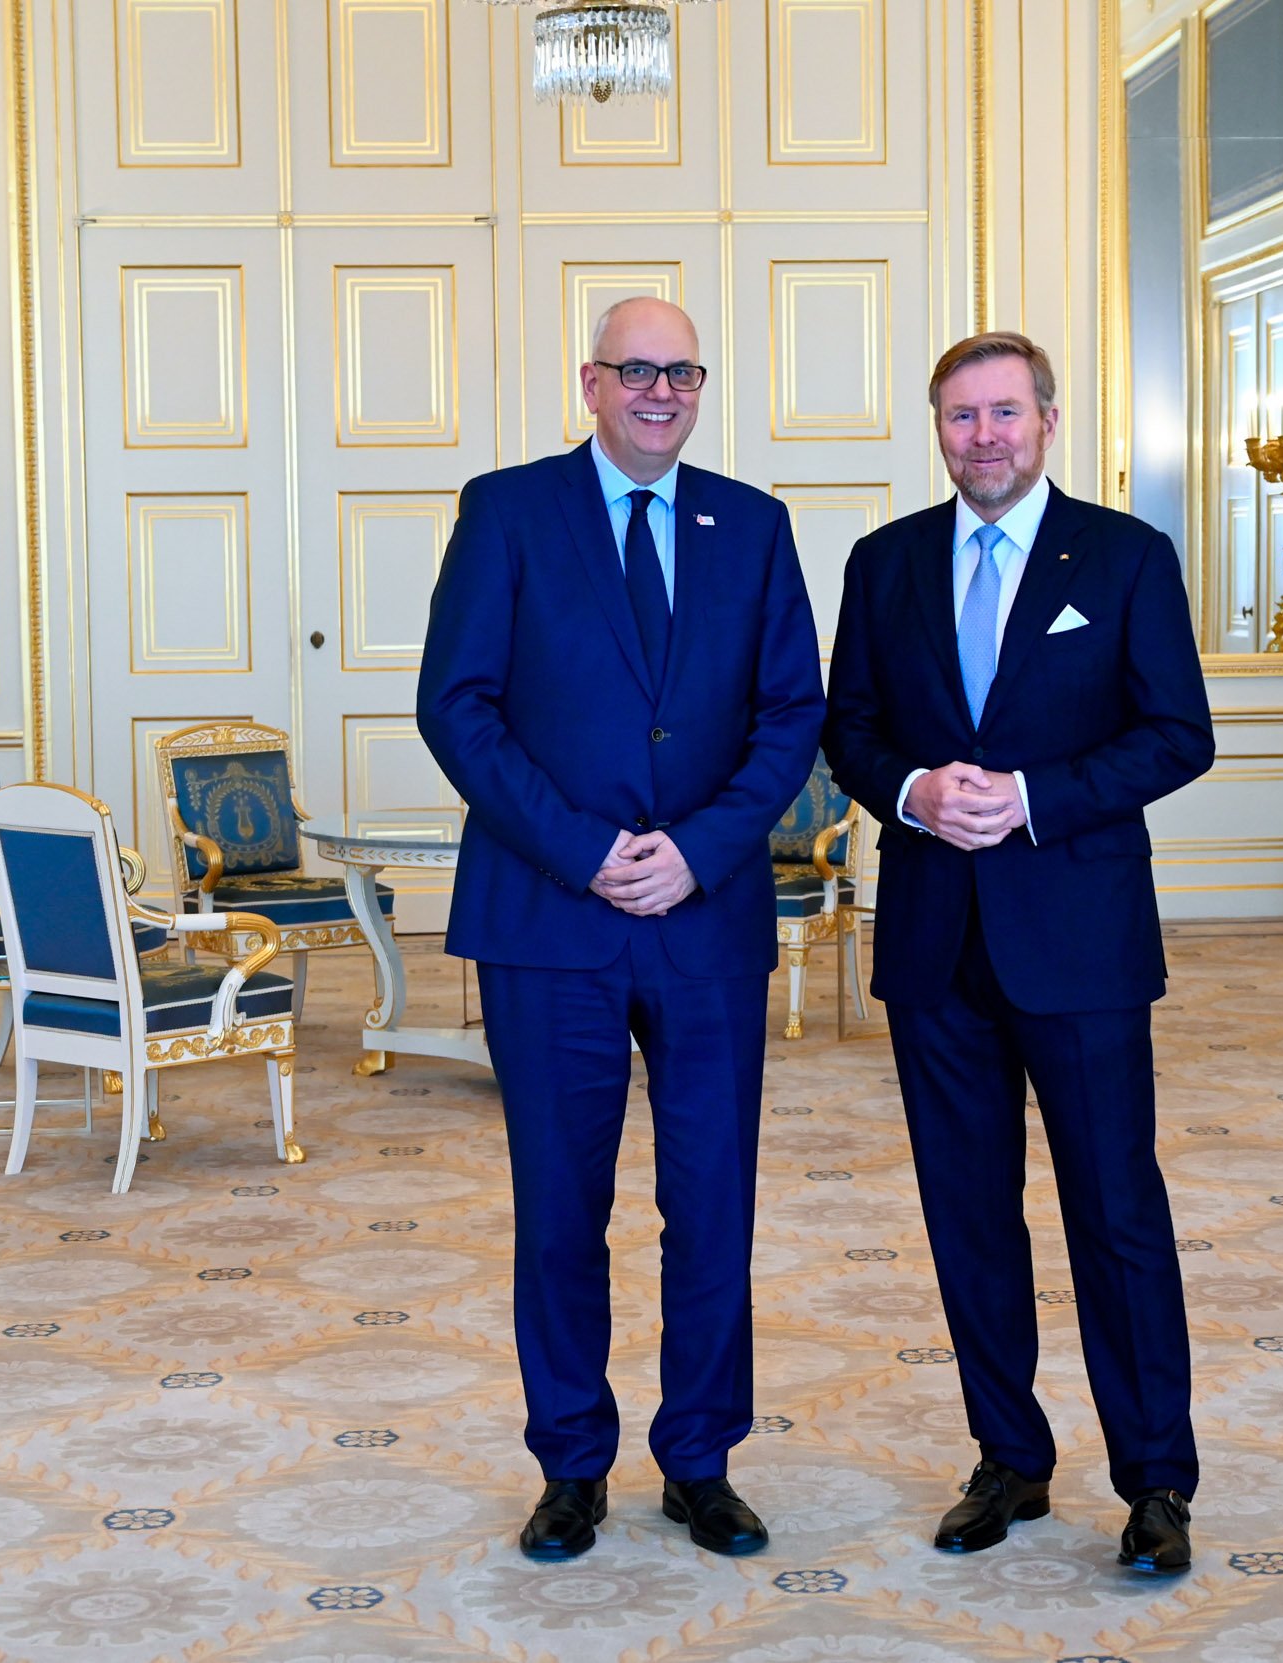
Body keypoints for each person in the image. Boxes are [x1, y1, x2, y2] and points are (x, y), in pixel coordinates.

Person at [417, 297, 824, 1563]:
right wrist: (585, 849)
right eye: (635, 370)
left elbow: (791, 714)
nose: (659, 391)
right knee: (559, 1207)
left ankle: (699, 1458)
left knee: (711, 1205)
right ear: (590, 382)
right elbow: (456, 706)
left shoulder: (752, 525)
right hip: (550, 918)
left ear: (700, 387)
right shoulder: (507, 510)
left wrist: (697, 850)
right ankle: (570, 1464)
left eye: (680, 372)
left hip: (704, 920)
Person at [821, 330, 1215, 1572]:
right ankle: (1008, 1457)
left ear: (1047, 420)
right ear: (936, 429)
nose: (981, 436)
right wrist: (913, 792)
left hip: (1079, 940)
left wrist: (1034, 797)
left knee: (1115, 1210)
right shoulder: (883, 563)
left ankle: (1155, 1480)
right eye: (959, 416)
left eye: (1002, 412)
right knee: (967, 1215)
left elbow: (1178, 734)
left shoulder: (1126, 556)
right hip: (933, 941)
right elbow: (848, 729)